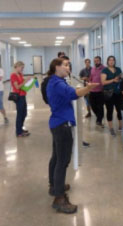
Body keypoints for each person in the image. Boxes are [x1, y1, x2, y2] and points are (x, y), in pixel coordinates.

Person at [46, 57, 98, 214]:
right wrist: (89, 88)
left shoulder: (54, 81)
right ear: (57, 67)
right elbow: (76, 93)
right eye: (66, 65)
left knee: (56, 157)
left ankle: (55, 186)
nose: (69, 68)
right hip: (62, 125)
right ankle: (59, 199)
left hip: (57, 123)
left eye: (69, 65)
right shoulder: (57, 83)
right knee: (62, 161)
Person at [101, 56, 123, 136]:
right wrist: (113, 80)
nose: (111, 61)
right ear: (107, 61)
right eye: (110, 60)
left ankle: (121, 126)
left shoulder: (118, 69)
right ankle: (111, 128)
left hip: (118, 93)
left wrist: (119, 79)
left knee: (120, 110)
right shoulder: (104, 70)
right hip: (108, 93)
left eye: (113, 60)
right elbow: (103, 82)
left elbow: (121, 79)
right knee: (110, 110)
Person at [10, 61, 31, 137]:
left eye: (23, 68)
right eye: (22, 68)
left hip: (23, 95)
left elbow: (22, 83)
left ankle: (20, 128)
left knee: (24, 113)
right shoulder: (13, 75)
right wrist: (25, 81)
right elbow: (17, 87)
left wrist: (28, 81)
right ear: (17, 67)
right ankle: (18, 132)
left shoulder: (20, 74)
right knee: (20, 114)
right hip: (18, 97)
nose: (22, 69)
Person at [89, 56, 105, 127]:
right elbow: (91, 78)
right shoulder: (92, 69)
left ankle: (99, 120)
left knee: (100, 106)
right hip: (92, 91)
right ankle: (99, 116)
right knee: (93, 106)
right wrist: (89, 84)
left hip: (100, 91)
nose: (96, 62)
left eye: (97, 61)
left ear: (100, 61)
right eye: (95, 61)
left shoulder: (104, 69)